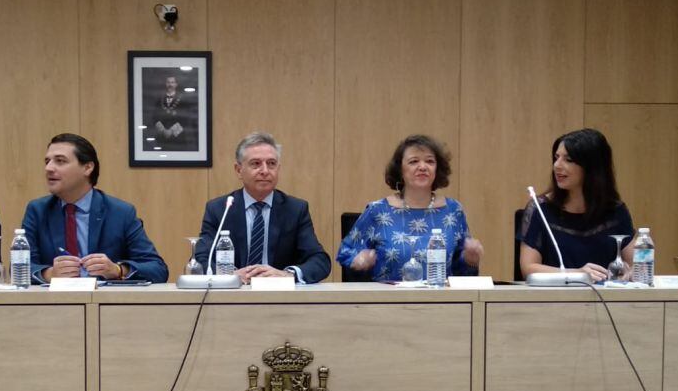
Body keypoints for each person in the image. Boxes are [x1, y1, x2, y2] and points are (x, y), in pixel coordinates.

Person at [21, 133, 168, 283]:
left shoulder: (120, 212)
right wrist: (48, 274)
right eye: (47, 161)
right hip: (56, 303)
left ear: (87, 167)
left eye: (60, 161)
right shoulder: (38, 211)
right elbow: (19, 269)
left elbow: (157, 269)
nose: (49, 168)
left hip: (105, 303)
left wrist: (118, 270)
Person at [337, 135, 483, 281]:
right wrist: (359, 260)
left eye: (430, 161)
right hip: (388, 300)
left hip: (441, 300)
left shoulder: (453, 210)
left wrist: (470, 259)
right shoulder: (378, 211)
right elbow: (345, 252)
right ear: (400, 170)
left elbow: (463, 274)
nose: (422, 167)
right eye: (413, 161)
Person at [194, 132, 331, 284]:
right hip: (233, 296)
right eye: (256, 163)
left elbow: (319, 260)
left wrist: (287, 274)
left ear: (278, 169)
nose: (265, 171)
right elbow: (201, 259)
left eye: (271, 163)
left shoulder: (295, 209)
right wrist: (230, 276)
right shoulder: (220, 209)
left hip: (280, 298)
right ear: (239, 170)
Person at [518, 128, 634, 283]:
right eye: (556, 157)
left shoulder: (615, 211)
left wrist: (629, 272)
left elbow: (635, 266)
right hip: (554, 301)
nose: (557, 165)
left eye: (568, 160)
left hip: (607, 302)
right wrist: (578, 274)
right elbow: (528, 269)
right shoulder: (541, 209)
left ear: (592, 167)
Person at [150, 74, 195, 151]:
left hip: (179, 139)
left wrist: (171, 131)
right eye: (168, 82)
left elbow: (186, 119)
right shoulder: (159, 101)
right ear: (165, 84)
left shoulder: (183, 101)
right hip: (162, 139)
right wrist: (164, 131)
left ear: (176, 84)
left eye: (172, 82)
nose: (170, 84)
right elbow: (154, 117)